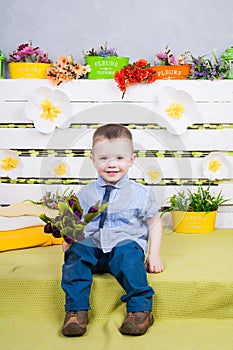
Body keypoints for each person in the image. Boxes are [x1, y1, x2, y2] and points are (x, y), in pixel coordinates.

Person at [61, 123, 164, 337]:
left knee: (127, 252)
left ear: (132, 160)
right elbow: (75, 217)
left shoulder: (140, 193)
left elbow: (154, 223)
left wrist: (154, 255)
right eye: (104, 158)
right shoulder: (86, 192)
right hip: (94, 250)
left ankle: (140, 310)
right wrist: (69, 237)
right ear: (93, 160)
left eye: (119, 158)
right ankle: (76, 310)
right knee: (76, 253)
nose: (111, 165)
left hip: (122, 248)